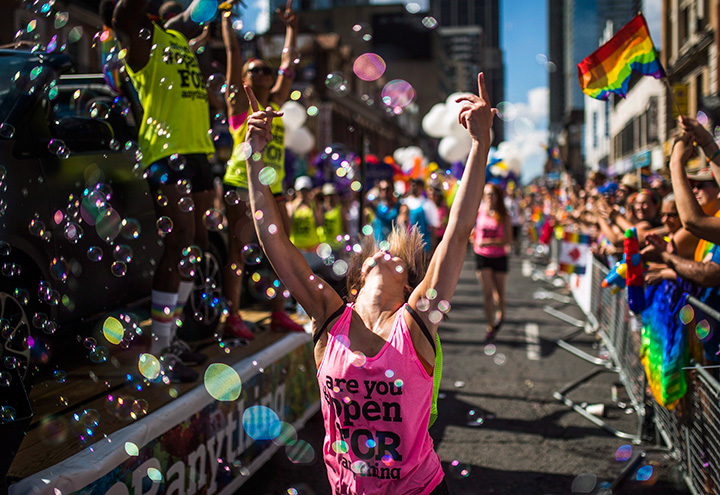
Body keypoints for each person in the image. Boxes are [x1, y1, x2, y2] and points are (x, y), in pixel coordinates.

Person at [242, 72, 495, 495]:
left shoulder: (415, 323)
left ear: (411, 286)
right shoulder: (329, 317)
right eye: (376, 255)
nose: (381, 253)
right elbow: (271, 236)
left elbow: (457, 229)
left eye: (394, 258)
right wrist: (254, 157)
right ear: (354, 286)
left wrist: (480, 144)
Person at [112, 0, 215, 381]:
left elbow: (195, 19)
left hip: (199, 151)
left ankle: (171, 338)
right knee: (180, 240)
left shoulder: (178, 40)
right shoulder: (141, 39)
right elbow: (124, 15)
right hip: (166, 152)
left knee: (199, 242)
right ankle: (158, 352)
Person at [220, 1, 303, 338]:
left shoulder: (277, 105)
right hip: (241, 183)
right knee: (237, 252)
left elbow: (289, 66)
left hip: (273, 186)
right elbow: (233, 51)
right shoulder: (239, 103)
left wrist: (292, 28)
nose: (262, 75)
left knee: (284, 248)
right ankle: (233, 316)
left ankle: (279, 312)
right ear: (244, 79)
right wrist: (227, 20)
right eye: (254, 71)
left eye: (265, 71)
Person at [473, 183, 512, 341]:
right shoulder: (479, 212)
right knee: (487, 293)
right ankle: (490, 325)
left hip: (499, 256)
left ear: (498, 197)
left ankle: (501, 314)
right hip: (482, 256)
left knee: (499, 294)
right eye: (487, 194)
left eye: (492, 194)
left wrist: (489, 242)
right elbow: (474, 232)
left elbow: (507, 239)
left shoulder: (504, 215)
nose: (489, 197)